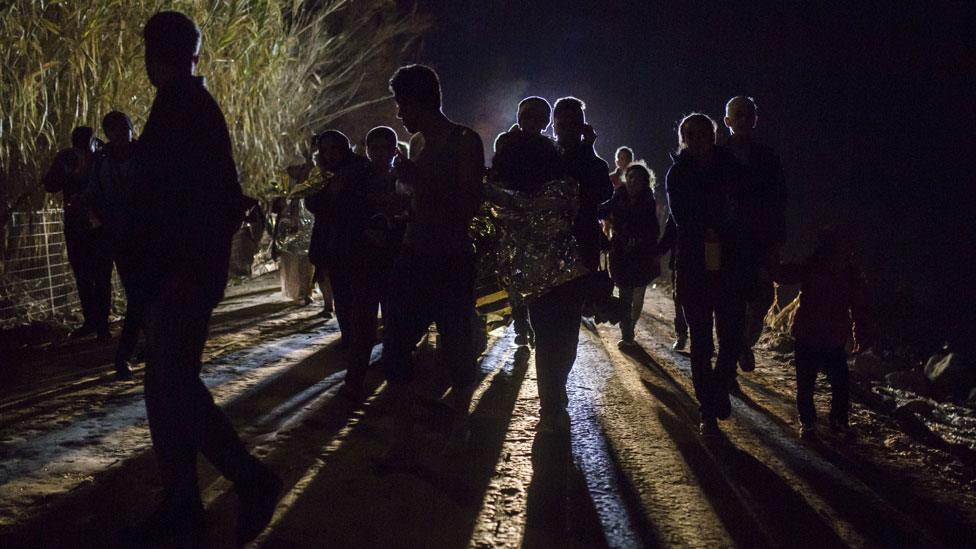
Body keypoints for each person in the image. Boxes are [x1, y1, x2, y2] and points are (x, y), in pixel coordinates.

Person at [129, 11, 281, 544]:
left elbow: (195, 202)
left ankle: (247, 480)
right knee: (166, 387)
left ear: (154, 53)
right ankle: (183, 504)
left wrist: (183, 272)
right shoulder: (187, 105)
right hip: (178, 273)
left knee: (172, 386)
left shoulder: (182, 108)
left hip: (179, 276)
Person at [380, 64, 485, 420]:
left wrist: (418, 179)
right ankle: (404, 437)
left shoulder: (464, 141)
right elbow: (419, 200)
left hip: (451, 259)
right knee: (394, 349)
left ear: (418, 101)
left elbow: (469, 203)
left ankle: (459, 426)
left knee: (456, 347)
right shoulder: (418, 143)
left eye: (401, 104)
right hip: (413, 254)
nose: (398, 112)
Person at [520, 96, 611, 432]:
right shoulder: (542, 155)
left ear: (581, 125)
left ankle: (555, 392)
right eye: (561, 122)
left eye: (574, 123)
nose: (566, 128)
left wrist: (588, 149)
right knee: (544, 333)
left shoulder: (590, 161)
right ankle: (551, 403)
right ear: (553, 124)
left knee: (567, 336)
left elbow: (602, 193)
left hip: (577, 261)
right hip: (542, 257)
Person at [665, 112, 748, 436]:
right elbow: (682, 214)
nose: (698, 140)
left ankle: (718, 389)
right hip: (694, 266)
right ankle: (707, 409)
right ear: (685, 138)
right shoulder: (678, 173)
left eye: (704, 134)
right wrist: (709, 226)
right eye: (692, 134)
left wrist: (725, 229)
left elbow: (741, 208)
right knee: (701, 343)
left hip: (729, 264)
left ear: (713, 136)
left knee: (730, 339)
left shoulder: (731, 169)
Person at [772, 226, 870, 439]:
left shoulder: (840, 271)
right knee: (818, 383)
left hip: (822, 338)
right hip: (817, 337)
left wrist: (860, 332)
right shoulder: (824, 268)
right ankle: (815, 422)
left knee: (827, 383)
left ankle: (825, 422)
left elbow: (858, 306)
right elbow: (781, 275)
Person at [722, 96, 788, 380]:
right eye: (738, 114)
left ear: (755, 120)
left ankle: (740, 345)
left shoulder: (767, 158)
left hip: (759, 243)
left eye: (749, 115)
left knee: (759, 302)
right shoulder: (717, 155)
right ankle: (728, 368)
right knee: (730, 306)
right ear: (728, 121)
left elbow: (779, 201)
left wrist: (776, 241)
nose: (744, 119)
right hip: (727, 244)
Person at [492, 96, 554, 348]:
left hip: (536, 225)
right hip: (515, 222)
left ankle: (530, 327)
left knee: (532, 280)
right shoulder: (511, 144)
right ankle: (521, 326)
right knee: (518, 279)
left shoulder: (547, 148)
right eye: (529, 116)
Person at [43, 126, 113, 340]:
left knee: (100, 275)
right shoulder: (68, 159)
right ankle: (93, 322)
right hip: (78, 225)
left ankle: (100, 324)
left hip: (99, 224)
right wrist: (67, 173)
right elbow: (50, 184)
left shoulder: (102, 157)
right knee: (85, 275)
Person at [304, 131, 371, 347]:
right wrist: (328, 193)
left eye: (335, 148)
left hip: (357, 241)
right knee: (341, 292)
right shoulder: (321, 173)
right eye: (326, 150)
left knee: (359, 294)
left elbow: (365, 204)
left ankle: (362, 339)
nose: (331, 154)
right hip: (331, 241)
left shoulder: (360, 168)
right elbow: (311, 203)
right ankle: (348, 336)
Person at [87, 111, 140, 379]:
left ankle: (129, 353)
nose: (119, 136)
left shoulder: (145, 154)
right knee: (138, 295)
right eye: (113, 131)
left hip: (143, 234)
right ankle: (125, 355)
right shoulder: (102, 161)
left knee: (141, 296)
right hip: (117, 234)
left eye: (123, 130)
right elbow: (92, 196)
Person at [598, 162, 661, 348]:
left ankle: (631, 323)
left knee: (638, 296)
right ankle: (627, 332)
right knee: (625, 294)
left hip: (641, 255)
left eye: (638, 178)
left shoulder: (648, 201)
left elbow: (653, 230)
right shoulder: (618, 196)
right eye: (630, 177)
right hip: (621, 253)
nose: (633, 181)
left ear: (645, 182)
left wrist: (640, 239)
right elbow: (601, 211)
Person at [657, 214, 688, 350]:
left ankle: (693, 337)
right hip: (681, 262)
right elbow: (669, 237)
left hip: (698, 262)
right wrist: (656, 253)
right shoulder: (678, 208)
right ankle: (681, 334)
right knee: (680, 300)